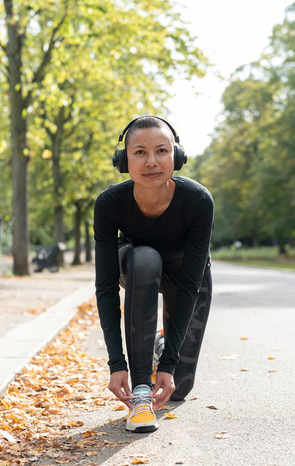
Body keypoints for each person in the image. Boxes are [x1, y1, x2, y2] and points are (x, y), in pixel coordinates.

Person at [93, 116, 214, 433]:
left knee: (178, 389)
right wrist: (117, 364)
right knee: (146, 257)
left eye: (161, 151)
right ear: (124, 160)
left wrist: (170, 364)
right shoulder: (109, 204)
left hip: (186, 275)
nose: (151, 162)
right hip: (136, 268)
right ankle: (141, 395)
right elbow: (106, 288)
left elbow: (190, 287)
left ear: (177, 155)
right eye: (139, 152)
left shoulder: (198, 201)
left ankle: (161, 348)